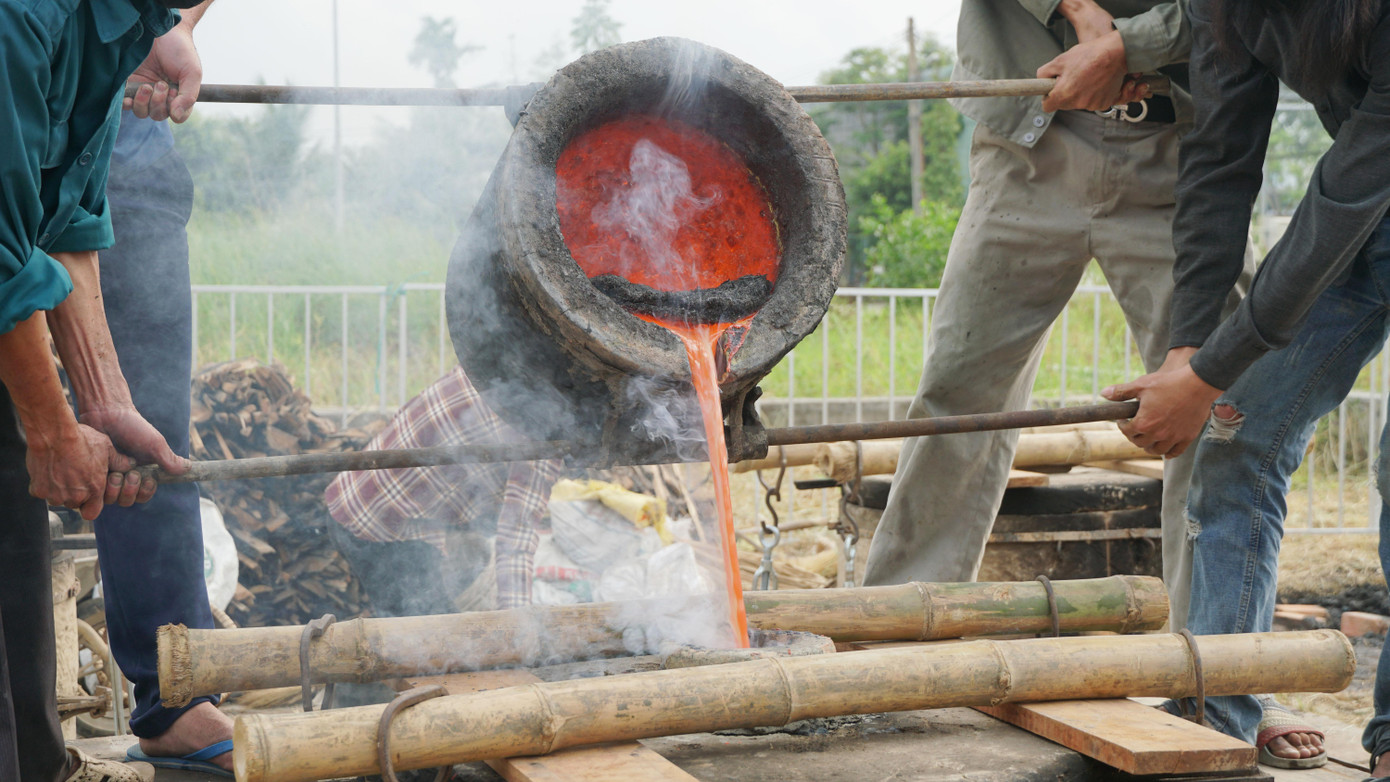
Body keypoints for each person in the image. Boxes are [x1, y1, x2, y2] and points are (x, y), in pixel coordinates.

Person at [864, 0, 1245, 633]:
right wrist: (1079, 10)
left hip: (1186, 146)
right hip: (1030, 134)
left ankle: (1219, 666)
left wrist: (1131, 44)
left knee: (1221, 398)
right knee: (958, 391)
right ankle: (896, 634)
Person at [1102, 0, 1390, 772]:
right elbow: (1220, 161)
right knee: (1238, 428)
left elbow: (1343, 196)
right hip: (1369, 208)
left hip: (1365, 187)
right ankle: (1221, 709)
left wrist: (1208, 371)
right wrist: (1192, 353)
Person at [0, 1, 204, 780]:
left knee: (11, 492)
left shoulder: (121, 24)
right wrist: (53, 432)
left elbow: (70, 221)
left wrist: (103, 400)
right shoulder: (24, 17)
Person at [84, 2, 238, 776]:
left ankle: (174, 693)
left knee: (148, 437)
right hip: (20, 91)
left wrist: (160, 22)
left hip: (123, 149)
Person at [325, 366, 562, 614]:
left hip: (356, 496)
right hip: (380, 528)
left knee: (470, 571)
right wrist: (517, 628)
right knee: (433, 643)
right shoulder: (544, 435)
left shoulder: (496, 364)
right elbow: (516, 542)